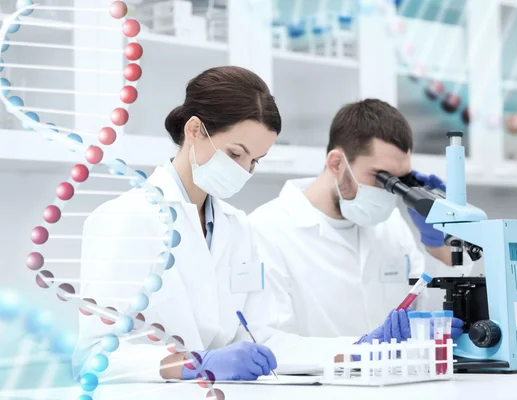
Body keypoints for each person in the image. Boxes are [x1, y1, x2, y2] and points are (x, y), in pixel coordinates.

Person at [74, 68, 420, 384]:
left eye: (254, 160)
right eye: (235, 154)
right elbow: (95, 358)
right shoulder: (126, 219)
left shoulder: (236, 227)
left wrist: (358, 348)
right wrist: (194, 364)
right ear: (194, 130)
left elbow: (259, 338)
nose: (243, 170)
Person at [249, 98, 469, 340]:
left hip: (395, 376)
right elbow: (274, 343)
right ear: (336, 163)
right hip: (321, 378)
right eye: (382, 178)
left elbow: (432, 314)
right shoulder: (266, 230)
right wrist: (360, 349)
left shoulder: (391, 225)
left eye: (401, 181)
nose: (390, 192)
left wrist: (437, 246)